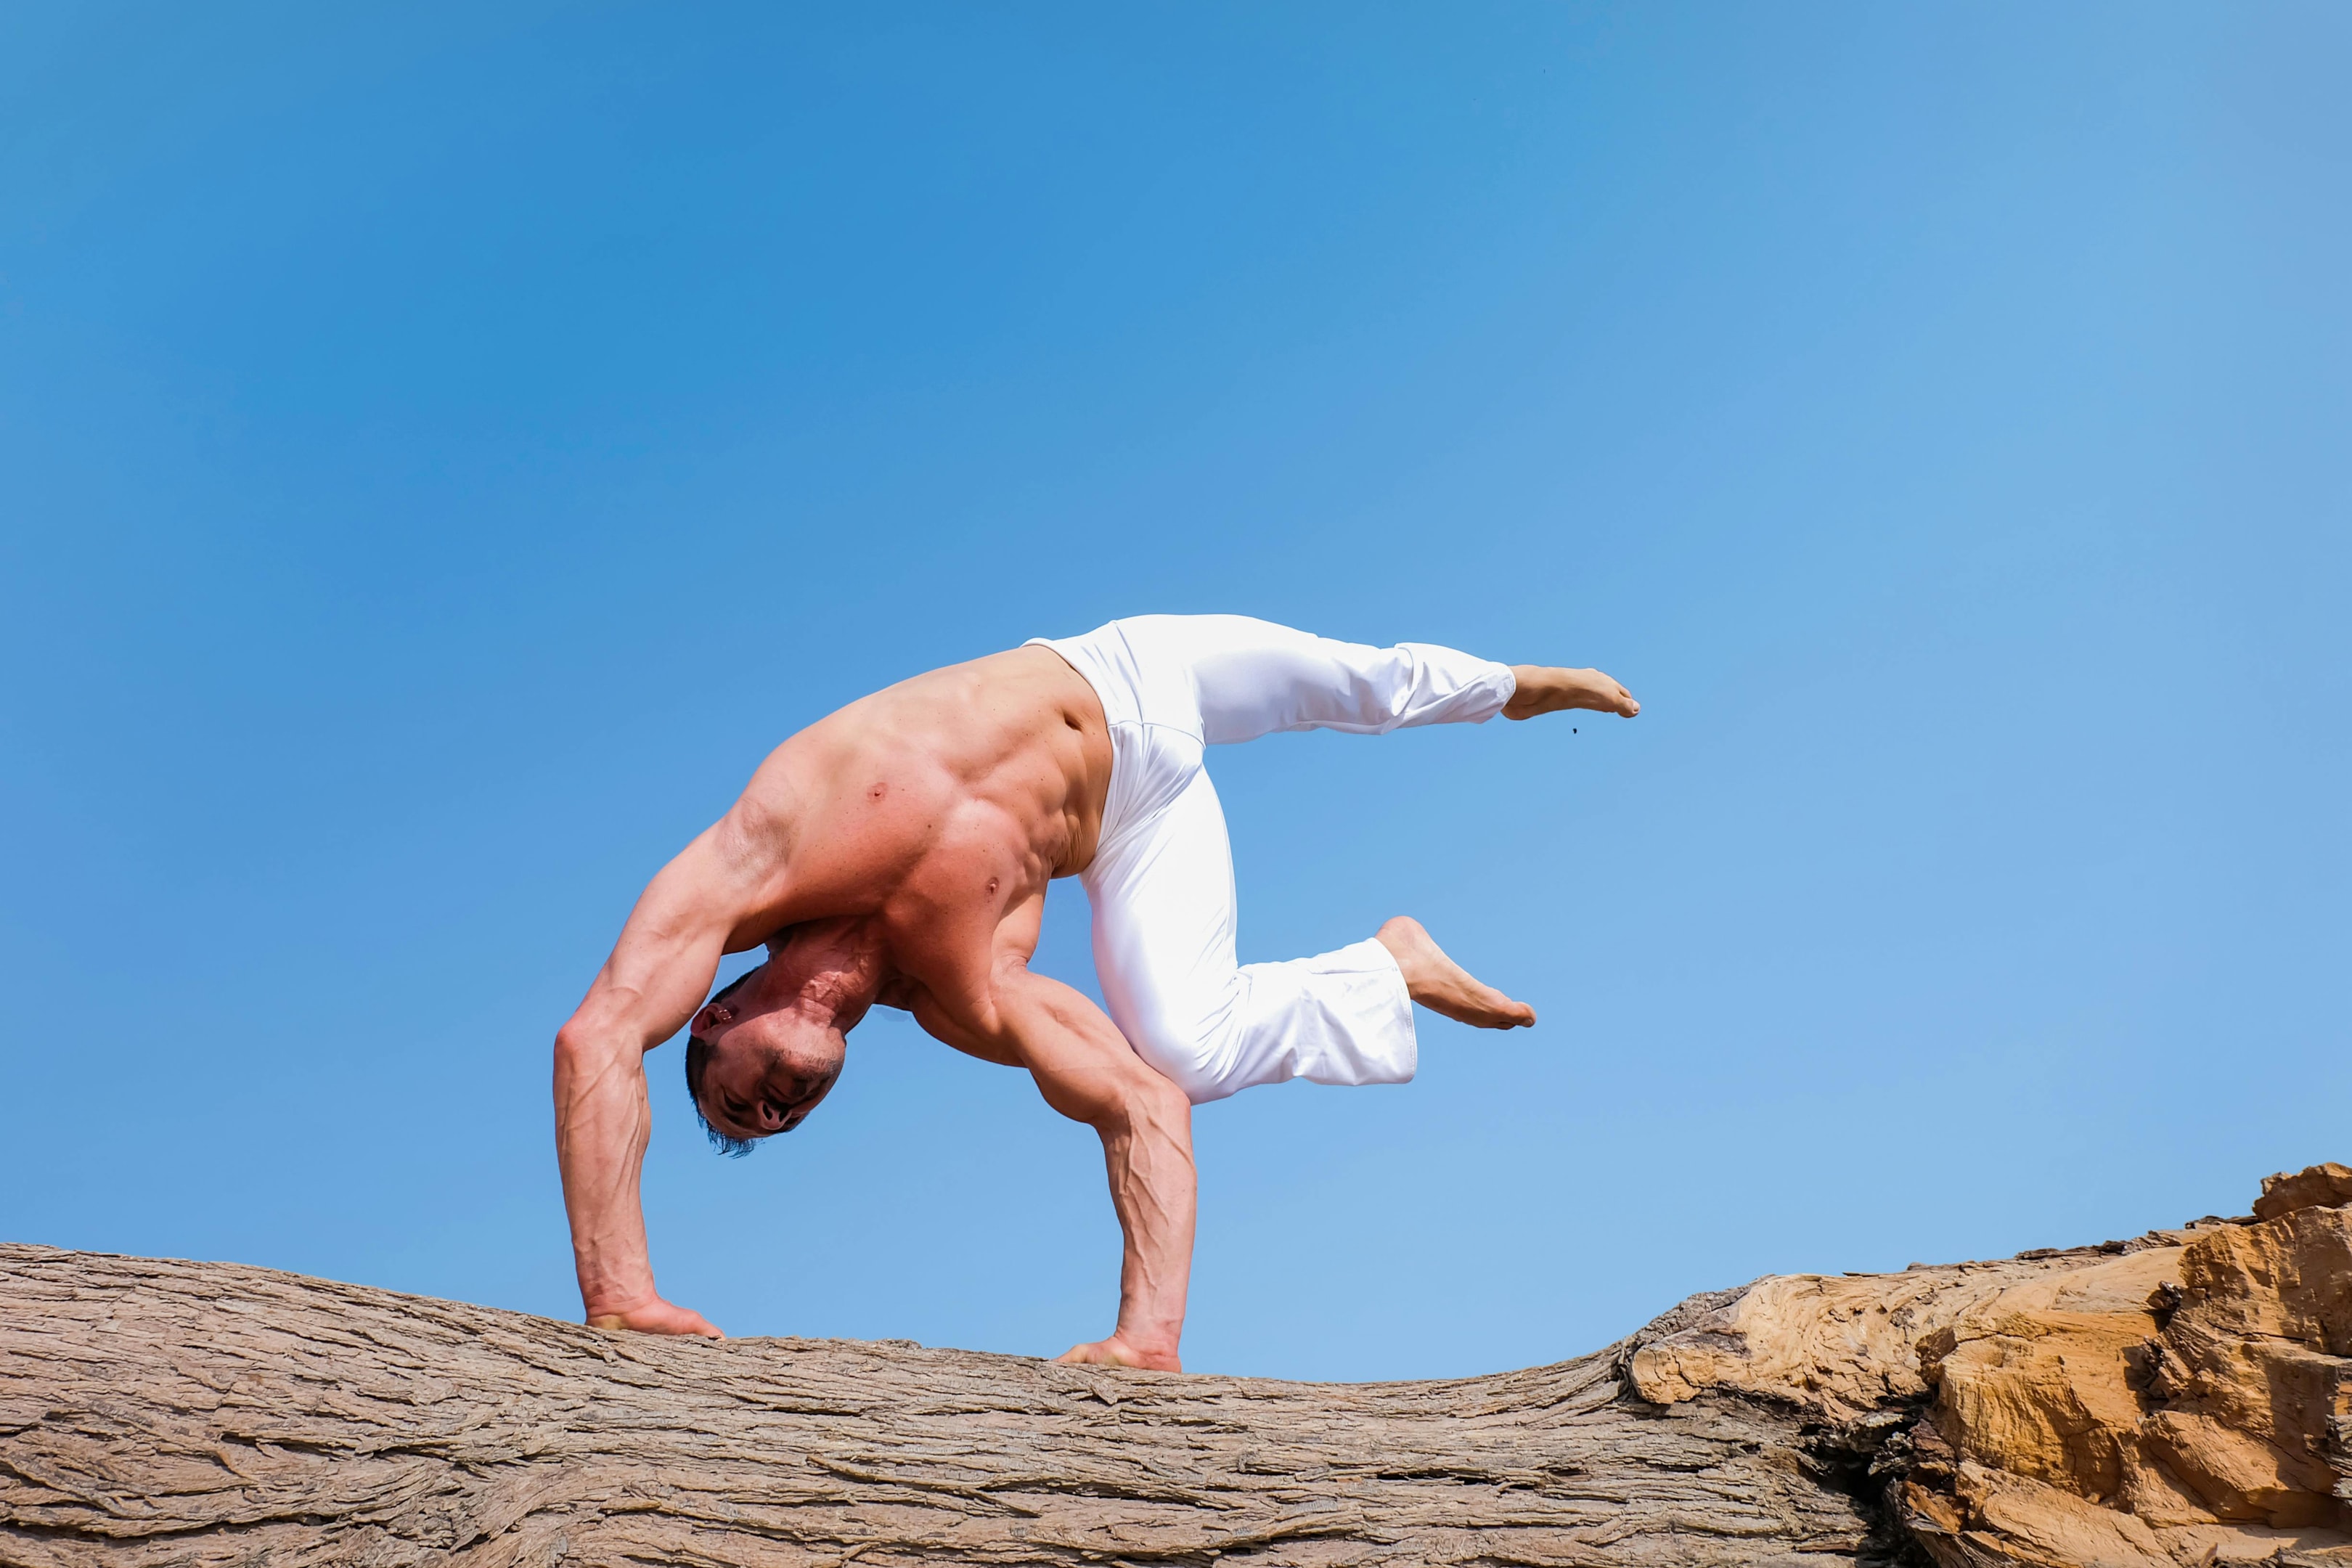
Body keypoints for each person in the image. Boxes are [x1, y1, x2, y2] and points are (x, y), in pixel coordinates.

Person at [552, 615, 1638, 1369]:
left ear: (715, 1015)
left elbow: (597, 1034)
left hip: (1127, 670)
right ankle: (1384, 969)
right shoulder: (965, 992)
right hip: (1136, 815)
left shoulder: (762, 859)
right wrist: (1147, 1340)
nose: (775, 1114)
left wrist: (617, 1298)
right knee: (1186, 1055)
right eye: (779, 1124)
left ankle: (1517, 687)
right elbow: (1139, 1102)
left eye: (739, 1098)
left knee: (1359, 682)